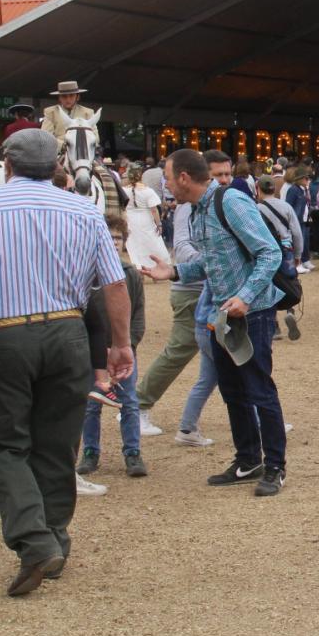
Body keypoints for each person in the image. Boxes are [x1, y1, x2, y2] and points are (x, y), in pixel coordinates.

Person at [0, 129, 130, 595]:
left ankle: (34, 539)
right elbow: (114, 283)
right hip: (67, 330)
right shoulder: (83, 210)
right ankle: (56, 538)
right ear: (56, 165)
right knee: (55, 442)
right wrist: (120, 343)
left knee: (0, 445)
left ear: (8, 163)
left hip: (1, 334)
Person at [141, 149, 289, 496]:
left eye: (166, 176)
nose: (163, 183)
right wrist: (174, 271)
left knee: (259, 390)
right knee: (233, 391)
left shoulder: (231, 201)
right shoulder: (194, 211)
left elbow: (270, 252)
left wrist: (247, 296)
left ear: (183, 178)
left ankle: (276, 467)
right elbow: (212, 263)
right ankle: (248, 460)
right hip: (222, 315)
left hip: (251, 313)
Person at [138, 178, 218, 448]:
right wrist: (216, 261)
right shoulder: (188, 208)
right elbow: (182, 248)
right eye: (218, 174)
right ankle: (137, 407)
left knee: (233, 355)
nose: (224, 180)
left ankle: (262, 413)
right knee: (179, 351)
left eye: (228, 174)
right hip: (191, 289)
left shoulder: (220, 201)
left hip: (210, 288)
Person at [79, 214, 149, 480]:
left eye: (118, 238)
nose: (114, 242)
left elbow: (139, 314)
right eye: (108, 238)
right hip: (94, 352)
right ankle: (90, 452)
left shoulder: (130, 274)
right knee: (91, 403)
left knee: (129, 401)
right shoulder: (86, 273)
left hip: (124, 351)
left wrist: (129, 343)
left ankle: (133, 452)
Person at [256, 173, 305, 341]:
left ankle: (275, 326)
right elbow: (297, 233)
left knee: (269, 283)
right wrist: (298, 254)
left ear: (258, 190)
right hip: (286, 249)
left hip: (266, 251)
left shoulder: (256, 209)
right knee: (289, 280)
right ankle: (290, 310)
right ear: (273, 189)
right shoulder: (286, 207)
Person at [122, 164, 169, 271]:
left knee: (135, 245)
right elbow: (154, 210)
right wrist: (159, 224)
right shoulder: (147, 191)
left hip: (130, 220)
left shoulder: (124, 190)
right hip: (146, 220)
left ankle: (139, 267)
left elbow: (122, 207)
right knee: (152, 243)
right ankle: (155, 267)